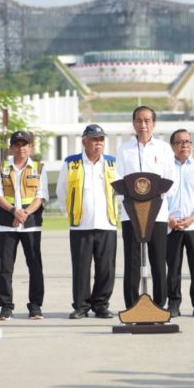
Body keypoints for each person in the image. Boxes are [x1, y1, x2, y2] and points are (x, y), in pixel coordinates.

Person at [56, 124, 119, 319]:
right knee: (81, 267)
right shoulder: (71, 163)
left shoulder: (113, 163)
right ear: (84, 141)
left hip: (107, 223)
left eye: (101, 140)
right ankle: (81, 306)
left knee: (106, 268)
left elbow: (121, 191)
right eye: (94, 139)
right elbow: (61, 190)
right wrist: (69, 213)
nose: (98, 143)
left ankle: (101, 305)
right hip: (80, 225)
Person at [116, 106, 176, 309]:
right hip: (131, 213)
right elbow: (118, 179)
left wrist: (151, 197)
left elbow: (170, 179)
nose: (143, 125)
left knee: (158, 261)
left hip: (157, 213)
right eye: (139, 120)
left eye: (147, 120)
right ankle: (132, 306)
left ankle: (160, 305)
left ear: (154, 124)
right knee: (132, 263)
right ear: (133, 123)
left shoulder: (164, 148)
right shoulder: (124, 149)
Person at [0, 130, 48, 321]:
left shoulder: (39, 168)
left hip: (31, 224)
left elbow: (40, 196)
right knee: (6, 268)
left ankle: (35, 306)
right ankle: (6, 307)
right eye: (17, 145)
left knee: (35, 266)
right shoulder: (1, 167)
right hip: (8, 224)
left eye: (24, 145)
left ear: (30, 147)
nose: (21, 148)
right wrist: (14, 211)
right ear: (11, 147)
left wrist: (24, 213)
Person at [165, 129, 194, 317]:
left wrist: (192, 217)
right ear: (172, 146)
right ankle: (173, 304)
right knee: (173, 268)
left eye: (187, 142)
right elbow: (159, 197)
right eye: (179, 142)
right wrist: (169, 220)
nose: (184, 145)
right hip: (171, 226)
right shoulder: (166, 168)